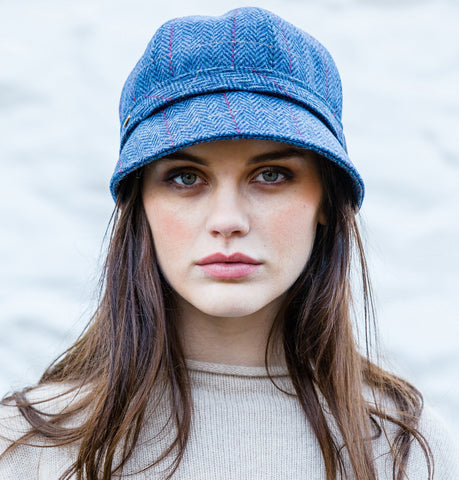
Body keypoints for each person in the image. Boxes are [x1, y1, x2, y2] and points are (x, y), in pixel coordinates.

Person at [0, 6, 457, 480]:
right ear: (141, 205)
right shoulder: (27, 448)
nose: (227, 220)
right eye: (184, 177)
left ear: (326, 199)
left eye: (272, 174)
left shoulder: (408, 451)